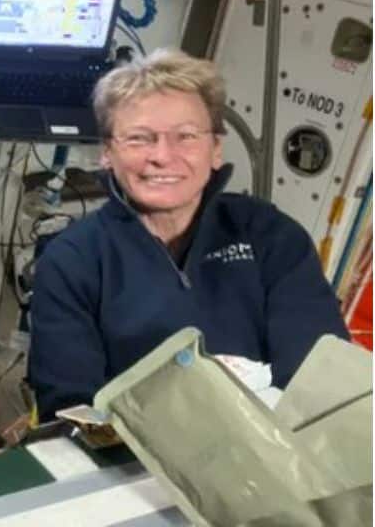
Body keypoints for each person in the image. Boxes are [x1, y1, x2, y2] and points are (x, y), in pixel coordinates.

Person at [28, 51, 348, 417]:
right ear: (106, 153)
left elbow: (318, 378)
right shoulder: (73, 261)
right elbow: (72, 408)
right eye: (138, 139)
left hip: (272, 453)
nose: (163, 156)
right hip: (134, 464)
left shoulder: (269, 235)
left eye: (186, 136)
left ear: (215, 149)